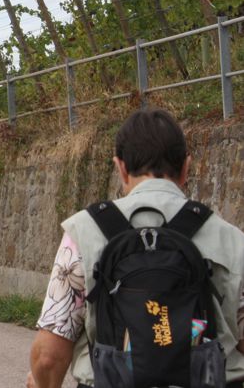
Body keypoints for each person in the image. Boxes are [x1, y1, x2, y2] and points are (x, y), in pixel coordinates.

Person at [27, 108, 244, 388]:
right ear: (186, 167)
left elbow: (48, 357)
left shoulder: (83, 233)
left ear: (121, 167)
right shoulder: (230, 238)